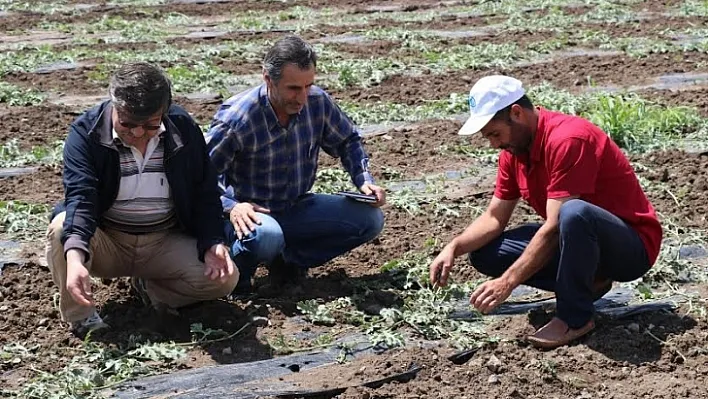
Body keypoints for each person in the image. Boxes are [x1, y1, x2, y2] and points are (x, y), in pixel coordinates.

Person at [429, 75, 662, 349]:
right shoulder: (513, 153)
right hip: (580, 242)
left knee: (574, 213)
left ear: (516, 113)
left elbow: (554, 226)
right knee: (485, 252)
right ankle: (591, 282)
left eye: (495, 134)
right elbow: (494, 217)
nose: (493, 144)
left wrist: (507, 282)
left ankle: (575, 317)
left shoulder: (567, 139)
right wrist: (453, 247)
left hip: (630, 248)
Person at [47, 62, 238, 336]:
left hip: (161, 241)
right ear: (114, 106)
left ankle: (151, 289)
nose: (137, 133)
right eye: (127, 124)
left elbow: (204, 193)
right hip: (108, 241)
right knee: (62, 229)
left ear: (164, 111)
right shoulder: (86, 133)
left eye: (150, 126)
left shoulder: (182, 129)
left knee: (224, 279)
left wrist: (212, 243)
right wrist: (76, 261)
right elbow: (82, 196)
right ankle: (83, 317)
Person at [205, 35, 385, 295]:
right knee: (266, 236)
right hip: (250, 215)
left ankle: (288, 262)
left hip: (295, 206)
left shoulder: (317, 103)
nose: (301, 97)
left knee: (370, 219)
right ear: (268, 78)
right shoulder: (238, 119)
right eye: (292, 88)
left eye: (307, 86)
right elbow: (203, 175)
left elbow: (348, 141)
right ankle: (237, 279)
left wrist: (364, 181)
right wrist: (232, 207)